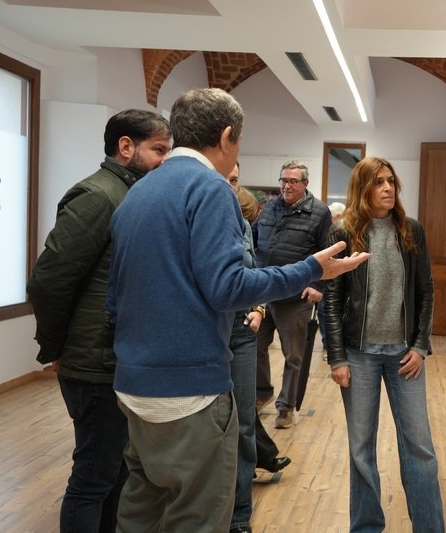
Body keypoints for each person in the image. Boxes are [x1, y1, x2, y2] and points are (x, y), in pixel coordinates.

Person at [106, 87, 369, 533]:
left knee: (140, 512)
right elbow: (228, 288)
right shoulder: (210, 189)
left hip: (134, 387)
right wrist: (310, 270)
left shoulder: (138, 190)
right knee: (197, 516)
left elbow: (115, 296)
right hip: (188, 393)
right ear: (227, 137)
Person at [26, 109, 171, 533]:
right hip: (94, 365)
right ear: (126, 147)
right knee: (94, 478)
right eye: (159, 149)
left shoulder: (129, 194)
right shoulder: (98, 196)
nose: (166, 159)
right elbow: (49, 281)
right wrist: (56, 348)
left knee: (116, 475)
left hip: (117, 361)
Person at [323, 156, 445, 533]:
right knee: (361, 449)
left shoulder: (411, 231)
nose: (388, 188)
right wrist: (337, 357)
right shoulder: (343, 235)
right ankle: (366, 527)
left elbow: (426, 291)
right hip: (358, 356)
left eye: (391, 181)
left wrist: (421, 345)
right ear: (363, 188)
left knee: (420, 447)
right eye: (378, 182)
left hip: (402, 355)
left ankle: (429, 527)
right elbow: (332, 299)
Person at [226, 163, 290, 533]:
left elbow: (253, 271)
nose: (230, 187)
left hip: (241, 330)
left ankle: (239, 517)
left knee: (244, 423)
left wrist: (260, 306)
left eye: (235, 180)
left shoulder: (247, 226)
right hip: (212, 332)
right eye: (226, 180)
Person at [254, 161, 332, 429]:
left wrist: (318, 286)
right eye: (283, 180)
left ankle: (286, 407)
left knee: (293, 356)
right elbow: (254, 243)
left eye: (293, 182)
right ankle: (262, 392)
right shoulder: (269, 208)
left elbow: (329, 252)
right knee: (254, 346)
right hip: (263, 292)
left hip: (296, 296)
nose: (286, 186)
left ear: (305, 184)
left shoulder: (319, 213)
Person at [320, 201, 347, 355]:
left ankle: (331, 346)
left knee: (328, 310)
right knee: (325, 311)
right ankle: (328, 346)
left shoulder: (341, 230)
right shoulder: (329, 231)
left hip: (338, 279)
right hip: (327, 279)